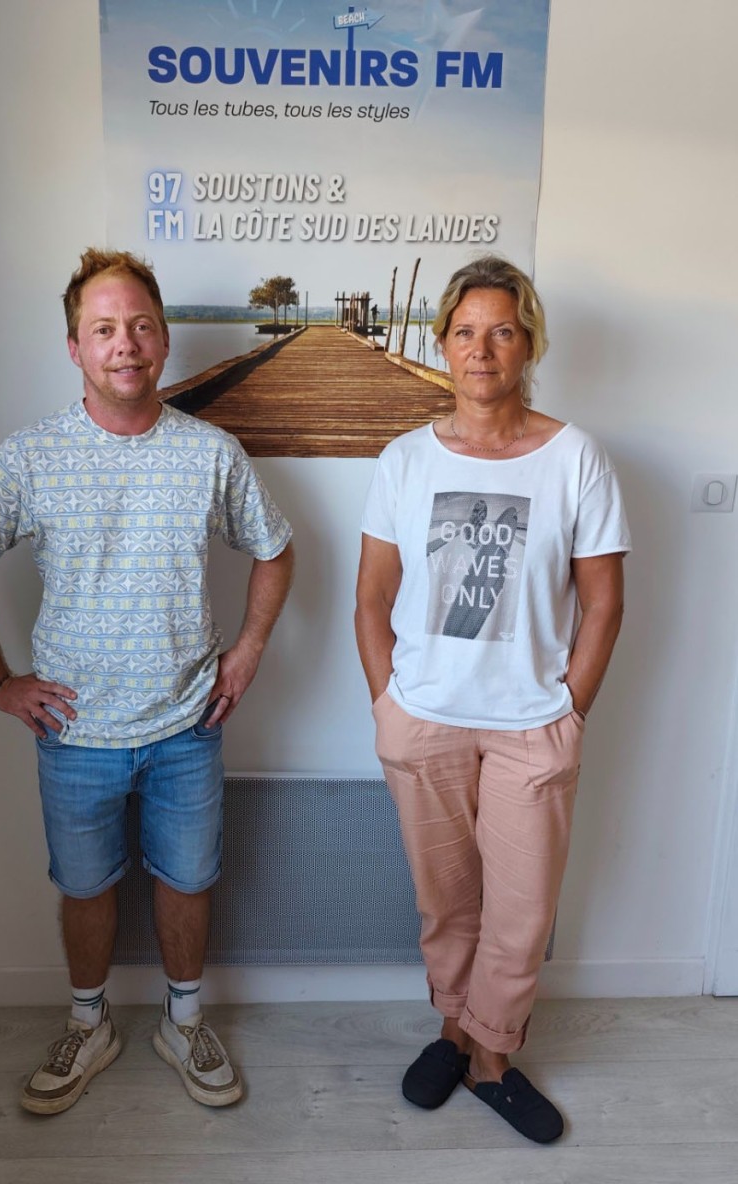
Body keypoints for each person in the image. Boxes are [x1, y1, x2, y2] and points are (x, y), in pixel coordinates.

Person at [0, 248, 294, 1115]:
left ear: (163, 339)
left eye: (139, 326)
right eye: (103, 330)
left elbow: (276, 551)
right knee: (85, 887)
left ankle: (183, 1022)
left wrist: (247, 650)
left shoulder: (209, 453)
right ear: (75, 348)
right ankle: (87, 1024)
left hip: (186, 724)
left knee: (188, 881)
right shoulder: (30, 456)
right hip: (73, 731)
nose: (124, 344)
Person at [355, 255, 630, 1143]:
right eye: (466, 332)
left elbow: (602, 602)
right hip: (424, 721)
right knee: (447, 904)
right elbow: (370, 599)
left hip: (528, 727)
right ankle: (453, 1031)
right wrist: (388, 706)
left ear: (528, 344)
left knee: (519, 912)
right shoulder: (404, 461)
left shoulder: (574, 458)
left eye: (501, 332)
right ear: (442, 344)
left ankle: (491, 1060)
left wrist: (568, 709)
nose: (481, 350)